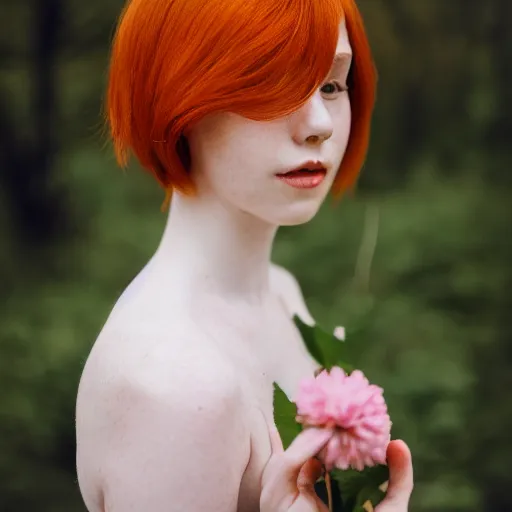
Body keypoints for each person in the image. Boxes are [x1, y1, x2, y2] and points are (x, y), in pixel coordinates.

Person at [75, 0, 414, 510]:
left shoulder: (280, 292)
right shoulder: (176, 388)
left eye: (331, 84)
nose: (319, 123)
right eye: (272, 85)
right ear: (177, 97)